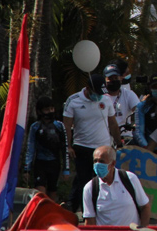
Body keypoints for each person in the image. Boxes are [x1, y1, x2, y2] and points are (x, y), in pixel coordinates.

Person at [64, 74, 121, 212]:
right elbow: (66, 127)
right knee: (83, 180)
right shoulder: (74, 100)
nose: (99, 96)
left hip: (103, 147)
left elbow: (112, 123)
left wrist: (119, 143)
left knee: (103, 179)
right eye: (96, 93)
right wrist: (69, 146)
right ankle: (84, 211)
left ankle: (102, 208)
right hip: (82, 147)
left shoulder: (106, 99)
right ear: (88, 89)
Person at [82, 146, 150, 227]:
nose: (97, 165)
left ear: (113, 163)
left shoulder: (130, 179)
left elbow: (145, 207)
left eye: (101, 161)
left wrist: (143, 228)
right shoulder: (90, 188)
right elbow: (90, 221)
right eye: (95, 161)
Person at [24, 97, 69, 201]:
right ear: (40, 111)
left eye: (52, 109)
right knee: (40, 194)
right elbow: (30, 148)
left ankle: (51, 214)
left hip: (54, 163)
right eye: (47, 109)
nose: (50, 112)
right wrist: (27, 169)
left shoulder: (59, 126)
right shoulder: (35, 127)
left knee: (52, 192)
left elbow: (64, 147)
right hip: (40, 164)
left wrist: (66, 170)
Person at [103, 64, 140, 141]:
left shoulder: (128, 94)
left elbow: (138, 111)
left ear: (121, 78)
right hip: (105, 138)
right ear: (105, 79)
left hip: (125, 136)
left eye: (115, 78)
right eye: (110, 78)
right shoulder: (100, 96)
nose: (113, 80)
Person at [134, 74, 157, 148]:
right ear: (150, 88)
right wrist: (147, 149)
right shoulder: (142, 107)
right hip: (150, 150)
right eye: (155, 87)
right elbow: (139, 132)